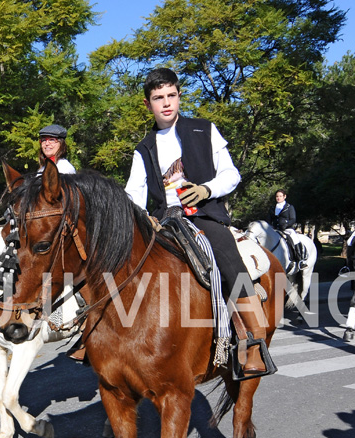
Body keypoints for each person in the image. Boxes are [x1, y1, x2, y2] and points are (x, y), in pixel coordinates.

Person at [124, 67, 267, 375]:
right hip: (162, 222)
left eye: (171, 95)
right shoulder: (144, 147)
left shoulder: (204, 129)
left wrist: (206, 189)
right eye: (158, 97)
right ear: (148, 104)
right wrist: (139, 218)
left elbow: (231, 174)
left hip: (203, 215)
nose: (166, 103)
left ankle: (254, 340)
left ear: (179, 96)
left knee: (227, 254)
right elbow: (133, 194)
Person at [270, 189, 308, 272]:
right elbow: (269, 219)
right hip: (275, 229)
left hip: (287, 229)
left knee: (294, 238)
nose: (278, 198)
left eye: (280, 196)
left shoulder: (289, 207)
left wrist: (286, 225)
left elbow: (293, 219)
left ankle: (300, 260)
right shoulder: (273, 208)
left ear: (284, 196)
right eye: (277, 196)